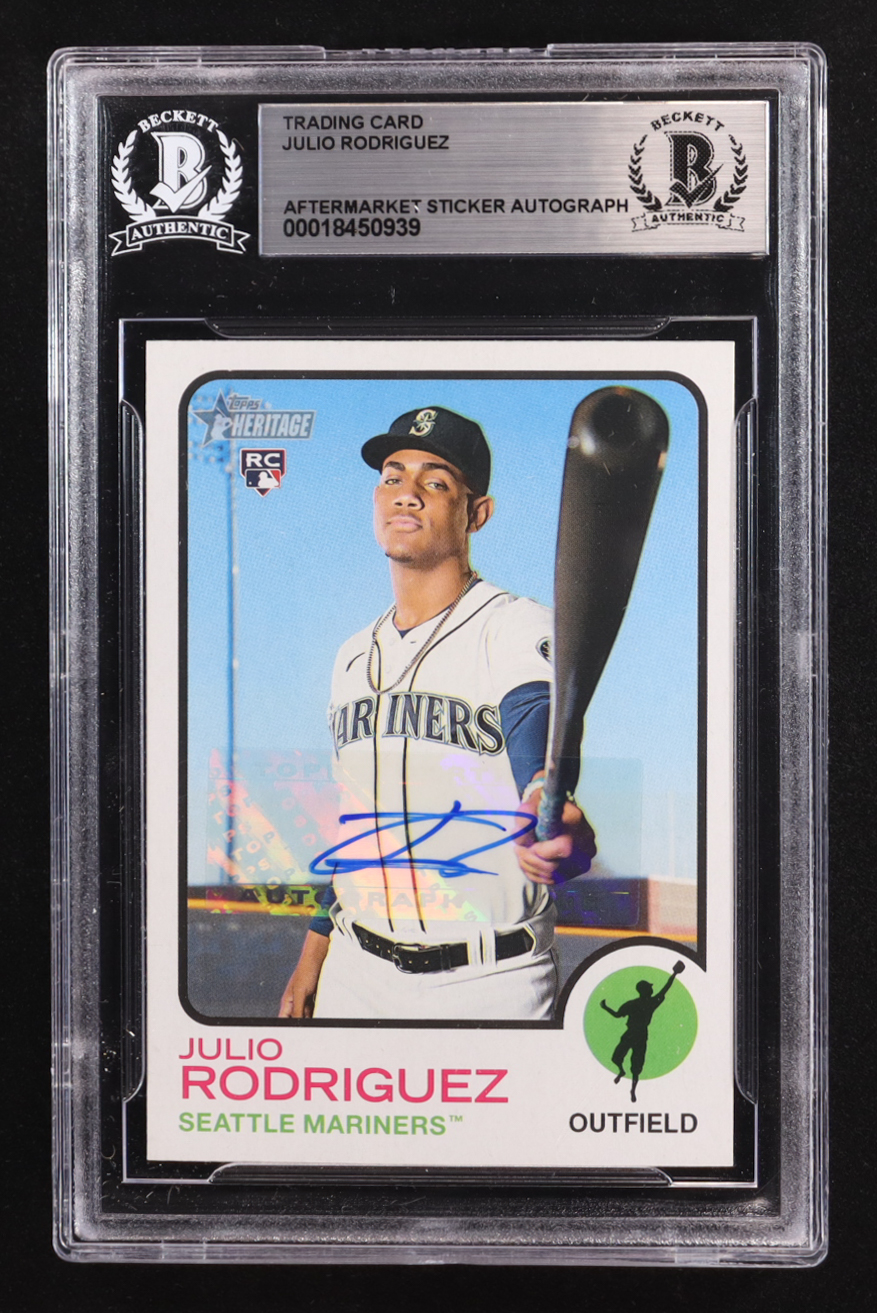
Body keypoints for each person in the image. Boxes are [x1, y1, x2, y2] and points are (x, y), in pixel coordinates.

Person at [279, 405, 595, 1021]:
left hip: (490, 978)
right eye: (393, 477)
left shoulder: (513, 626)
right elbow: (356, 822)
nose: (408, 493)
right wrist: (314, 950)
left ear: (477, 513)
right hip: (354, 969)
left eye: (437, 481)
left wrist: (545, 797)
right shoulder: (351, 656)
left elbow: (534, 718)